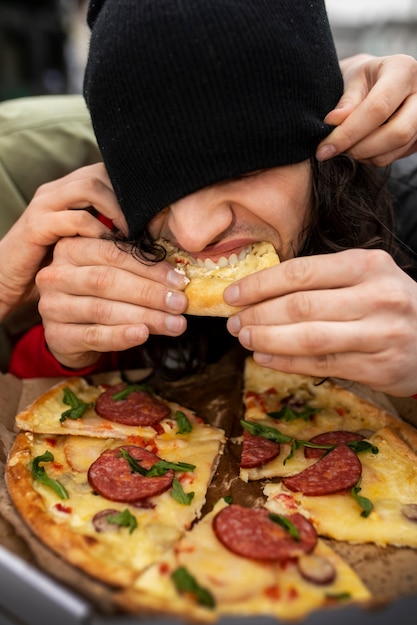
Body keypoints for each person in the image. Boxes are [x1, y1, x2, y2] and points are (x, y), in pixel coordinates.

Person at [4, 0, 417, 398]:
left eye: (243, 172)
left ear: (324, 156)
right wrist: (69, 356)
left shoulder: (408, 217)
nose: (194, 234)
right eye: (155, 189)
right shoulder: (107, 243)